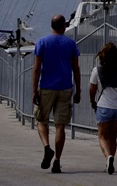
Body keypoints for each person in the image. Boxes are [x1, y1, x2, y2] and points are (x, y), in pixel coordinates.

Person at [32, 14, 81, 173]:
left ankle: (47, 147)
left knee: (41, 120)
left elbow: (37, 68)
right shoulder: (70, 44)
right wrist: (78, 89)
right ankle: (57, 161)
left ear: (52, 25)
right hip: (65, 88)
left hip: (46, 87)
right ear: (63, 26)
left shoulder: (42, 42)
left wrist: (34, 91)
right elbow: (76, 68)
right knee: (60, 126)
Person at [88, 42, 117, 175]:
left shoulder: (97, 70)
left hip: (104, 107)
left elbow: (92, 88)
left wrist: (92, 101)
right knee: (113, 136)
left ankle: (108, 157)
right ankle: (110, 159)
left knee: (102, 137)